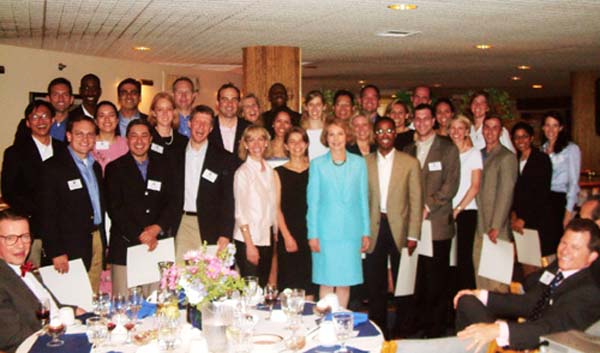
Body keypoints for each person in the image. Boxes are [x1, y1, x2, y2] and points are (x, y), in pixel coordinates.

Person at [454, 219, 600, 351]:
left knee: (477, 332)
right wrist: (481, 295)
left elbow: (551, 328)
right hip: (523, 334)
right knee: (467, 301)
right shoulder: (557, 268)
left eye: (575, 247)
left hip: (542, 345)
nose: (565, 251)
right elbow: (530, 302)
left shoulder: (588, 291)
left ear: (592, 257)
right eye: (564, 243)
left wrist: (499, 330)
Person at [403, 103, 460, 337]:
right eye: (418, 118)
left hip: (436, 225)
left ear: (433, 121)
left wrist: (427, 206)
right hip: (413, 226)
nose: (422, 122)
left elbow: (451, 185)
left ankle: (436, 329)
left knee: (436, 280)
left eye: (427, 118)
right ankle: (419, 325)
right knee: (417, 279)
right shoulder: (407, 150)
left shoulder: (447, 149)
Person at [364, 117, 422, 339]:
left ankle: (403, 331)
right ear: (375, 135)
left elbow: (416, 201)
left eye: (389, 130)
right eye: (380, 131)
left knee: (404, 284)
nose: (385, 134)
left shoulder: (410, 163)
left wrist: (414, 234)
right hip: (374, 228)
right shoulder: (365, 162)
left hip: (401, 230)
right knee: (375, 285)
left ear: (395, 134)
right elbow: (362, 201)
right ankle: (378, 330)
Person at [105, 119, 177, 296]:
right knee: (126, 306)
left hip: (157, 245)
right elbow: (115, 208)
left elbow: (173, 202)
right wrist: (141, 234)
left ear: (151, 139)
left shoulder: (164, 166)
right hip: (125, 246)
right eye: (134, 136)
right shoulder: (115, 168)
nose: (139, 141)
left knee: (157, 302)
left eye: (144, 136)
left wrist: (156, 228)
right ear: (126, 140)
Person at [307, 118, 370, 308]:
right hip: (325, 234)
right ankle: (325, 325)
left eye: (340, 133)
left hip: (351, 233)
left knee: (345, 282)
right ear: (326, 138)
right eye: (331, 134)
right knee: (326, 281)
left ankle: (341, 320)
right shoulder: (317, 165)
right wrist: (313, 234)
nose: (336, 139)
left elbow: (363, 199)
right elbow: (313, 202)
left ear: (347, 136)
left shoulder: (359, 163)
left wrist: (366, 231)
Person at [40, 115, 105, 292]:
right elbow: (47, 213)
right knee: (68, 298)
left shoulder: (96, 167)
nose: (85, 139)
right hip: (67, 245)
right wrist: (55, 251)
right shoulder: (52, 167)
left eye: (90, 134)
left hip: (95, 238)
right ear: (68, 136)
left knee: (92, 294)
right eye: (79, 134)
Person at [0, 209, 81, 353]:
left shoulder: (25, 268)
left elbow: (47, 306)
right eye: (10, 238)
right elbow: (13, 339)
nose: (20, 245)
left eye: (25, 236)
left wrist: (75, 310)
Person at [2, 101, 66, 267]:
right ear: (28, 123)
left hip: (62, 230)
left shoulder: (64, 150)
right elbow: (9, 192)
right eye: (35, 117)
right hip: (32, 230)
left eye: (45, 116)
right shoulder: (14, 153)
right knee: (31, 278)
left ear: (53, 120)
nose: (41, 121)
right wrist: (40, 210)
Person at [173, 105, 236, 264]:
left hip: (213, 226)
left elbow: (229, 200)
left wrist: (225, 234)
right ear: (189, 123)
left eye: (206, 123)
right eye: (197, 121)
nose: (201, 127)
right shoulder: (175, 155)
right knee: (182, 278)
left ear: (211, 128)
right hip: (183, 224)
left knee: (211, 280)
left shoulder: (224, 158)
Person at [474, 116, 518, 292]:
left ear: (501, 131)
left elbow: (506, 193)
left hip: (496, 228)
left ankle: (501, 319)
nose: (490, 131)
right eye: (487, 127)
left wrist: (497, 226)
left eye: (495, 128)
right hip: (479, 224)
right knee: (481, 278)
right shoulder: (479, 154)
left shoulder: (507, 157)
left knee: (497, 282)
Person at [233, 126, 278, 287]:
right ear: (245, 144)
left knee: (262, 288)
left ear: (266, 143)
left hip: (266, 239)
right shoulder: (242, 173)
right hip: (248, 240)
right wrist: (250, 246)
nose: (256, 144)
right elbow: (240, 213)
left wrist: (275, 233)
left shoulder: (270, 171)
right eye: (251, 139)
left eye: (261, 138)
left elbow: (272, 207)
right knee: (250, 291)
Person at [275, 127, 316, 298]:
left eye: (300, 141)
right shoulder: (278, 172)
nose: (296, 145)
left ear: (306, 144)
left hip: (311, 234)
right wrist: (286, 236)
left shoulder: (315, 169)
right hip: (289, 234)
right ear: (286, 146)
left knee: (310, 287)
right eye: (292, 141)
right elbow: (276, 208)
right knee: (289, 288)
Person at [510, 122, 552, 266]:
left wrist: (524, 218)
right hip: (519, 219)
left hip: (537, 218)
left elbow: (541, 193)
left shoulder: (541, 159)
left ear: (532, 138)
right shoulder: (514, 160)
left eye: (524, 137)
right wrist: (514, 214)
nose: (520, 141)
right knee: (525, 262)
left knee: (537, 263)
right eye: (516, 137)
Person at [541, 111, 581, 262]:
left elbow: (573, 183)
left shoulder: (571, 149)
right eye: (548, 125)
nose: (551, 129)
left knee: (559, 245)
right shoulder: (542, 149)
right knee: (546, 248)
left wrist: (568, 213)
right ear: (543, 128)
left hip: (560, 201)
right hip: (545, 201)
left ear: (561, 128)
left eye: (555, 126)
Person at [449, 115, 482, 291]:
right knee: (449, 262)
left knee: (463, 258)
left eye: (460, 128)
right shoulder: (447, 152)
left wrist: (458, 209)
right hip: (447, 212)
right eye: (452, 128)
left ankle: (467, 299)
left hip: (466, 211)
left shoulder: (474, 153)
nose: (456, 132)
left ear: (467, 131)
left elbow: (475, 186)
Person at [15, 78, 75, 143]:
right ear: (48, 99)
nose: (61, 99)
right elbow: (17, 150)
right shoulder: (28, 125)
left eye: (65, 95)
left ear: (71, 99)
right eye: (56, 95)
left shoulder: (78, 124)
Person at [208, 83, 251, 163]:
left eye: (234, 99)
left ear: (238, 103)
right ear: (217, 103)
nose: (230, 104)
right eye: (225, 99)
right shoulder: (207, 127)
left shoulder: (248, 128)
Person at [147, 92, 188, 166]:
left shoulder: (183, 141)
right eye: (160, 110)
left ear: (174, 112)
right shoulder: (147, 139)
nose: (165, 113)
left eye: (169, 109)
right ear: (154, 113)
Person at [91, 101, 129, 172]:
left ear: (117, 120)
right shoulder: (88, 143)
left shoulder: (127, 144)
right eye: (102, 116)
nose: (107, 119)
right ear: (96, 121)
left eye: (111, 115)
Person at [300, 90, 328, 160]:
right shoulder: (301, 132)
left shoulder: (330, 130)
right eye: (311, 105)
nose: (314, 108)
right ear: (306, 107)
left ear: (324, 107)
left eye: (318, 105)